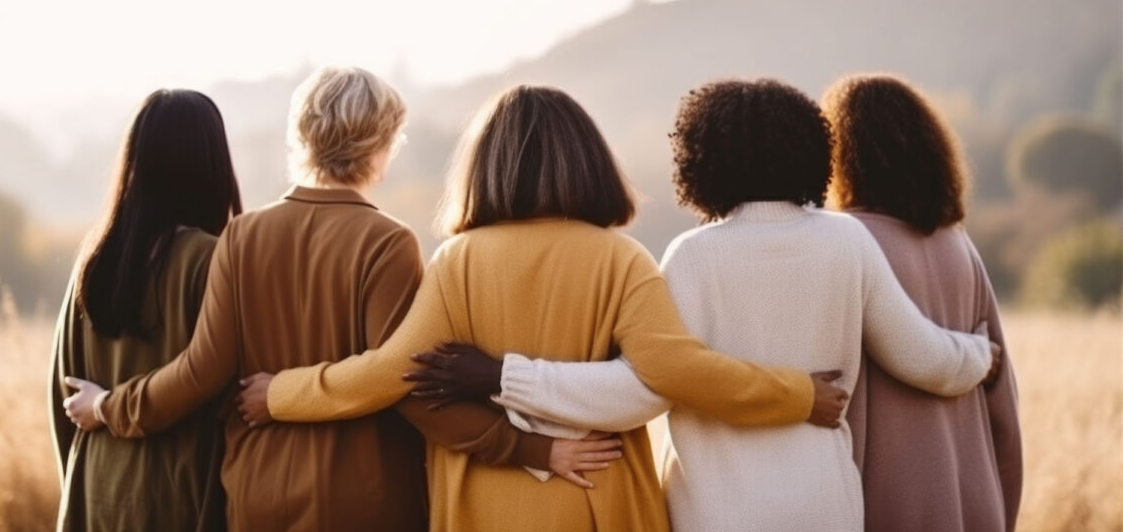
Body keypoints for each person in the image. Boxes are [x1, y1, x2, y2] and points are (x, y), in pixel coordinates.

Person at [235, 84, 852, 532]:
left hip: (486, 509)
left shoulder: (457, 262)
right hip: (602, 499)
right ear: (589, 160)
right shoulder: (622, 258)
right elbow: (676, 369)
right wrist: (798, 394)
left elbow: (390, 373)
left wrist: (279, 394)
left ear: (484, 167)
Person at [400, 78, 1001, 532]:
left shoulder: (691, 256)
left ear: (699, 160)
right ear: (811, 151)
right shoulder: (847, 241)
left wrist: (506, 376)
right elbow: (922, 358)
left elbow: (642, 389)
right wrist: (981, 354)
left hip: (715, 514)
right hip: (826, 507)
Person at [62, 68, 607, 532]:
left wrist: (110, 407)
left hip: (256, 494)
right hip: (365, 502)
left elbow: (201, 372)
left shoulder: (241, 236)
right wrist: (531, 449)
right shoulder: (387, 242)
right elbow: (409, 385)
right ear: (381, 144)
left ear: (300, 137)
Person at [823, 73, 1022, 532]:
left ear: (840, 156)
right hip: (974, 503)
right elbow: (1004, 408)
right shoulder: (961, 247)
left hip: (885, 502)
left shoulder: (844, 244)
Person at [49, 89, 243, 531]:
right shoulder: (212, 259)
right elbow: (228, 391)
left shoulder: (94, 259)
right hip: (182, 494)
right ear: (212, 164)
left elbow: (62, 395)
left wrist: (78, 482)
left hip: (95, 489)